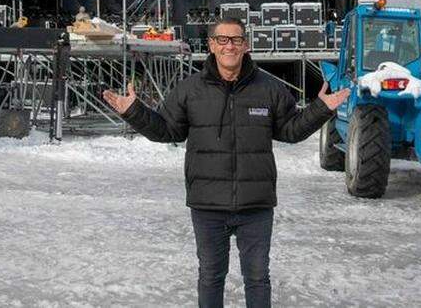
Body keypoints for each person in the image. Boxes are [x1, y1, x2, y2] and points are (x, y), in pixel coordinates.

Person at [103, 17, 350, 307]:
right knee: (210, 276)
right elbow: (167, 130)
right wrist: (134, 112)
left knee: (258, 278)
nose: (229, 46)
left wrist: (321, 109)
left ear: (245, 45)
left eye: (235, 40)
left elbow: (291, 131)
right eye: (222, 39)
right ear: (211, 45)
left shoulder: (269, 89)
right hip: (208, 207)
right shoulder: (190, 90)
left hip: (255, 206)